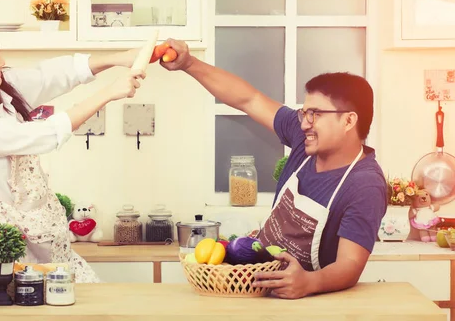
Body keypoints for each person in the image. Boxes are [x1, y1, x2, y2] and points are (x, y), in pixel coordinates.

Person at [0, 15, 144, 282]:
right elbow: (42, 134)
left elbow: (52, 75)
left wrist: (120, 58)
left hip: (45, 243)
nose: (1, 63)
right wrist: (108, 93)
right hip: (1, 256)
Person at [160, 39, 387, 299]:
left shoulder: (365, 184)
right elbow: (248, 99)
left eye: (316, 114)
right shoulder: (305, 141)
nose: (304, 124)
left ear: (348, 120)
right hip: (258, 284)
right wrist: (189, 63)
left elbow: (350, 265)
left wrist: (309, 283)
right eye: (304, 113)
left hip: (306, 303)